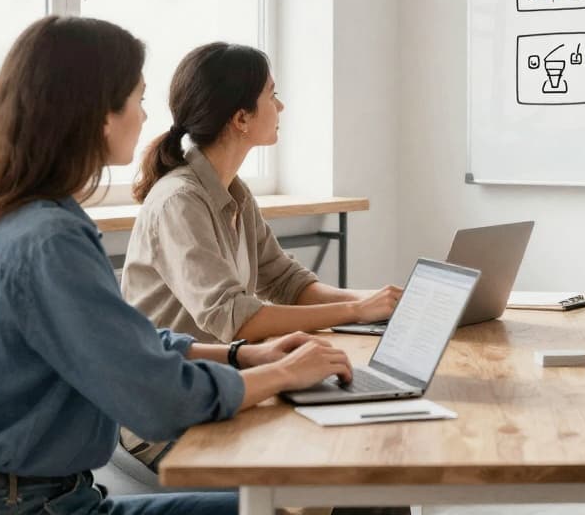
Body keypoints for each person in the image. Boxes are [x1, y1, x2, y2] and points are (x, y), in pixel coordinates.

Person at [0, 16, 353, 515]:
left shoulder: (14, 215)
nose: (146, 117)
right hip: (39, 506)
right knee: (304, 504)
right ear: (98, 115)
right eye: (138, 99)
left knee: (324, 493)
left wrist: (242, 357)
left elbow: (127, 343)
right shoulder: (50, 240)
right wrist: (282, 374)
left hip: (32, 493)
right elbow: (160, 400)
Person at [118, 42, 400, 470]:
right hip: (168, 417)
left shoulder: (233, 191)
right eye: (272, 94)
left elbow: (286, 281)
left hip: (224, 387)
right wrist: (356, 311)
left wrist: (382, 303)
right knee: (337, 467)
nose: (281, 106)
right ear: (241, 118)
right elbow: (237, 317)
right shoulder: (179, 201)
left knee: (366, 457)